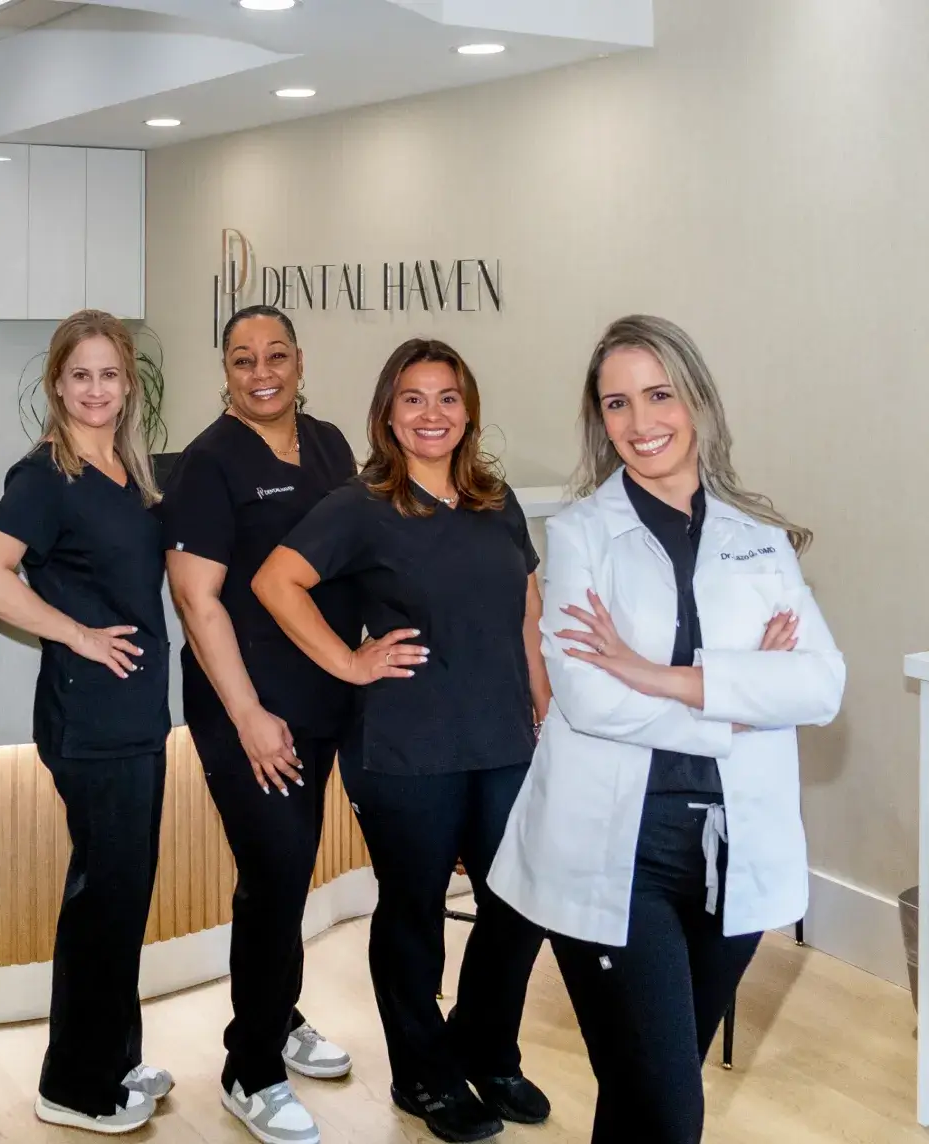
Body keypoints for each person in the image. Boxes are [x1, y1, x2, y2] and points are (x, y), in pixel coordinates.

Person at [487, 315, 845, 1144]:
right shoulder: (579, 535)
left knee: (643, 1095)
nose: (641, 424)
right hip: (616, 853)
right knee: (672, 1111)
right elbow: (588, 699)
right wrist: (742, 696)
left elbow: (821, 684)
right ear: (600, 419)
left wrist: (658, 675)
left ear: (697, 401)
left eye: (659, 395)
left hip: (733, 856)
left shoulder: (761, 538)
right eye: (617, 403)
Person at [253, 339, 553, 1144]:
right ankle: (424, 1075)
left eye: (447, 398)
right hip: (406, 744)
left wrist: (542, 694)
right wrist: (349, 660)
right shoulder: (362, 505)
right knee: (415, 912)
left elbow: (527, 601)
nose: (432, 414)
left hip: (502, 738)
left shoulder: (496, 498)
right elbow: (275, 581)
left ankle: (488, 1052)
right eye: (414, 399)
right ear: (388, 412)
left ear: (468, 410)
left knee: (517, 906)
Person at [0, 310, 170, 1135]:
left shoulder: (125, 470)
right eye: (79, 375)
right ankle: (74, 1084)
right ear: (56, 385)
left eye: (109, 374)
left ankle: (114, 1054)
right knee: (104, 901)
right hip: (91, 720)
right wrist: (76, 633)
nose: (95, 390)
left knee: (125, 895)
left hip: (136, 716)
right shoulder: (47, 476)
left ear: (129, 386)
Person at [162, 304, 358, 1144]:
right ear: (227, 372)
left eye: (276, 355)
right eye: (244, 359)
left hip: (320, 698)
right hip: (246, 705)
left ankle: (278, 1015)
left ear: (300, 361)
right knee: (274, 870)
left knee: (294, 868)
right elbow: (195, 598)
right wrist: (247, 715)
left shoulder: (329, 444)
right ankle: (251, 1068)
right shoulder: (208, 464)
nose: (262, 370)